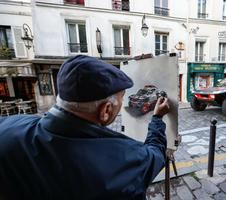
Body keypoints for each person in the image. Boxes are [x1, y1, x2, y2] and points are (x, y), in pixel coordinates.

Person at [0, 55, 170, 200]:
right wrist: (157, 117)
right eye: (121, 98)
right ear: (106, 110)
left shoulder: (6, 129)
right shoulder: (124, 158)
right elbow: (156, 154)